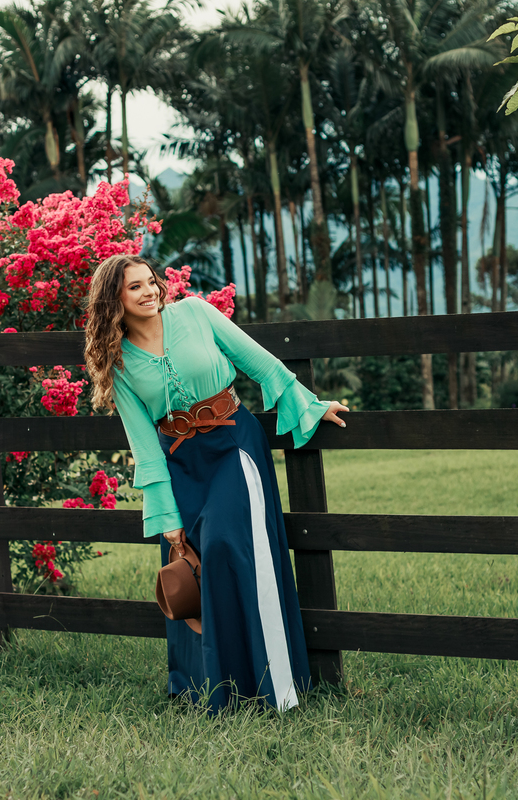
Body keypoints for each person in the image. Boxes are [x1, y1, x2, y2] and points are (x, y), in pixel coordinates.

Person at [84, 253, 348, 714]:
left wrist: (309, 404)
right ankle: (213, 688)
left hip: (233, 447)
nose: (149, 292)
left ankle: (273, 686)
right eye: (135, 288)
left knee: (229, 546)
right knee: (196, 564)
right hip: (180, 465)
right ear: (114, 301)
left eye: (151, 282)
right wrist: (166, 514)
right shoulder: (118, 361)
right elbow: (143, 443)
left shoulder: (196, 312)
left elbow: (261, 363)